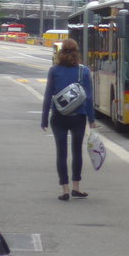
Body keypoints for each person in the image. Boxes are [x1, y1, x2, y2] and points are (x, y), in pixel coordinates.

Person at [40, 38, 97, 201]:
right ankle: (76, 188)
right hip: (78, 116)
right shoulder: (83, 71)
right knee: (77, 151)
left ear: (61, 51)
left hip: (58, 117)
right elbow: (88, 98)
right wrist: (91, 119)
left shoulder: (54, 70)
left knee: (61, 153)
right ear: (77, 52)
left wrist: (44, 118)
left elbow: (48, 95)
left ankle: (64, 189)